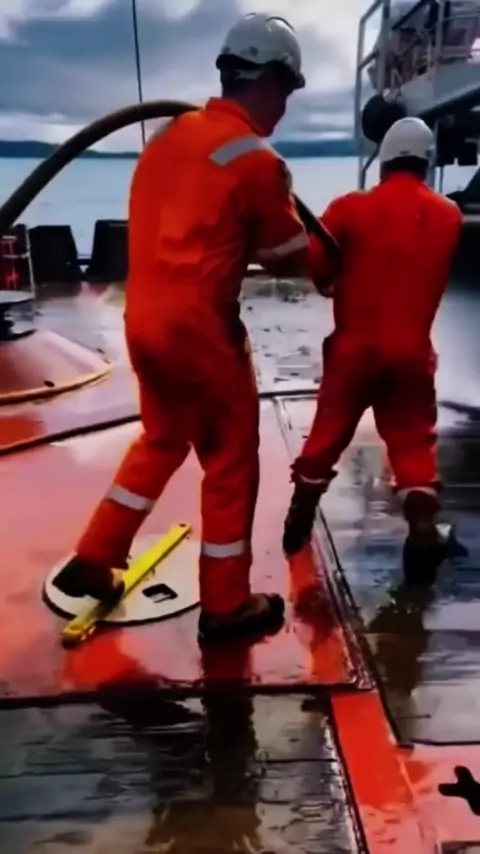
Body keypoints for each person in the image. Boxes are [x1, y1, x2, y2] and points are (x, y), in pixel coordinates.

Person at [55, 13, 313, 642]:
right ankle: (227, 605)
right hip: (201, 335)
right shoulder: (256, 160)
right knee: (230, 461)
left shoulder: (167, 138)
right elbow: (288, 255)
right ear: (268, 81)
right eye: (286, 90)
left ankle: (95, 555)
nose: (284, 106)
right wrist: (334, 267)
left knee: (163, 438)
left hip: (144, 324)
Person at [283, 117, 463, 581]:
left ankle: (296, 526)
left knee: (326, 436)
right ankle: (422, 532)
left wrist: (331, 278)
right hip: (411, 354)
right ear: (426, 162)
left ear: (383, 161)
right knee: (412, 444)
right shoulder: (448, 215)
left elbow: (318, 265)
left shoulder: (349, 208)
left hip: (354, 351)